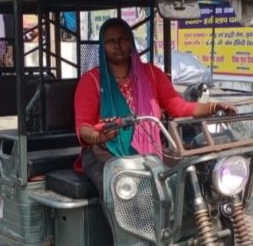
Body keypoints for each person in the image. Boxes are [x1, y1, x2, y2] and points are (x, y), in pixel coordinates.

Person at [74, 18, 235, 197]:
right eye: (110, 41)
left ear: (131, 42)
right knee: (122, 187)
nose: (117, 45)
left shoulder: (152, 74)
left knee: (190, 175)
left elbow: (178, 106)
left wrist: (214, 107)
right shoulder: (91, 81)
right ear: (102, 46)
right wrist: (98, 136)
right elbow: (83, 127)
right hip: (104, 150)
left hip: (150, 149)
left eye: (123, 39)